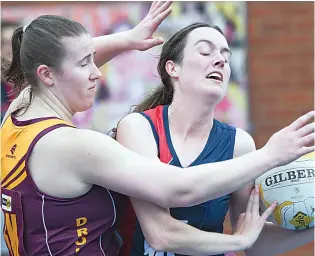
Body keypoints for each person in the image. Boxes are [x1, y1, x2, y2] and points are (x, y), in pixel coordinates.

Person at [1, 2, 314, 255]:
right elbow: (176, 193)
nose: (98, 72)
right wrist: (271, 155)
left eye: (226, 56)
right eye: (86, 63)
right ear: (171, 68)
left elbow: (50, 62)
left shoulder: (19, 114)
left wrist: (127, 39)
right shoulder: (75, 145)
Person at [114, 23, 315, 256]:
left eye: (226, 56)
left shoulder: (239, 144)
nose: (220, 60)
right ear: (173, 68)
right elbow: (161, 234)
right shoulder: (139, 128)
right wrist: (237, 242)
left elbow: (256, 243)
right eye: (205, 52)